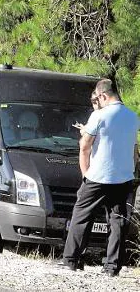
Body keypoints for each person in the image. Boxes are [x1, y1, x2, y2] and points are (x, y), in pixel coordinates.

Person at [60, 79, 139, 276]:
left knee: (81, 216)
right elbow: (133, 150)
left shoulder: (98, 115)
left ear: (103, 96)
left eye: (98, 98)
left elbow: (84, 146)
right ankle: (112, 267)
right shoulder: (133, 117)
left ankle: (72, 260)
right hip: (123, 178)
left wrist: (85, 172)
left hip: (98, 176)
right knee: (118, 221)